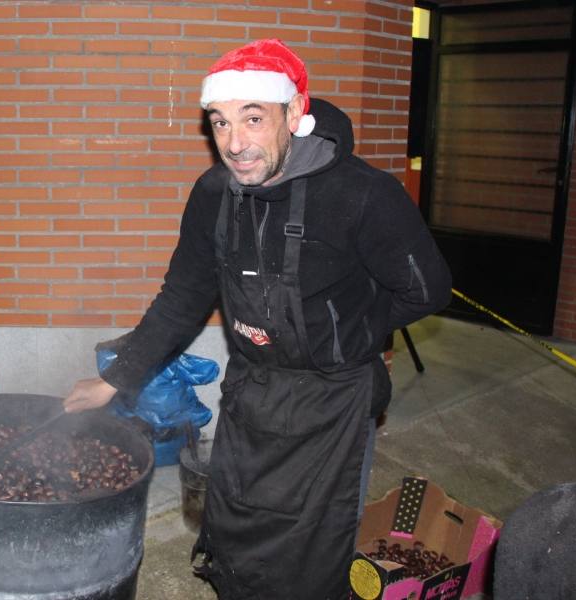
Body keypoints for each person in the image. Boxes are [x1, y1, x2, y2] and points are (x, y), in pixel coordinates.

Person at [64, 39, 452, 599]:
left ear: (293, 114)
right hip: (251, 390)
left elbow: (426, 288)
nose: (234, 144)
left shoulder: (363, 195)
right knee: (238, 533)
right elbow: (182, 297)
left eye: (252, 118)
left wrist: (346, 336)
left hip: (332, 399)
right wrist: (115, 378)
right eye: (219, 123)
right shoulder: (212, 195)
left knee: (310, 558)